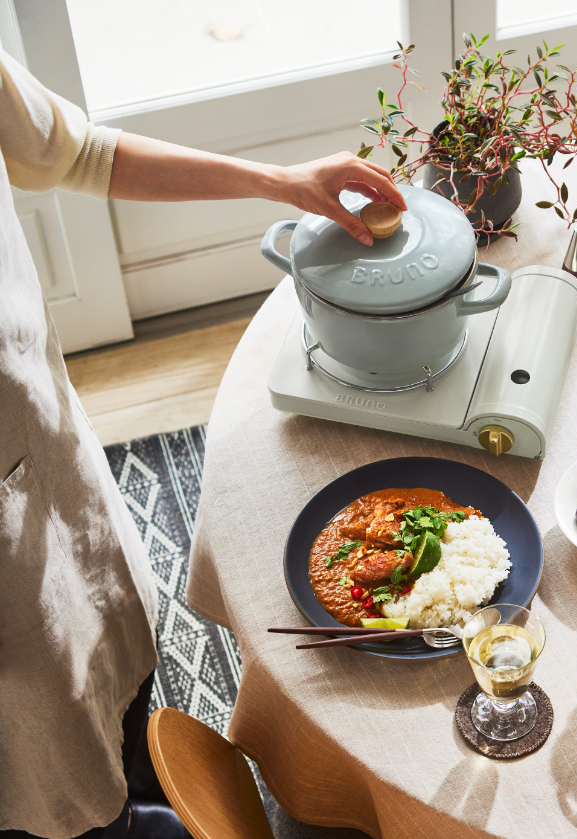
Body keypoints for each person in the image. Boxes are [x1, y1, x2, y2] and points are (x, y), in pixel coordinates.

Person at [0, 48, 404, 839]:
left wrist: (283, 182)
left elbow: (78, 151)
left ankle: (151, 789)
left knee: (118, 683)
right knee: (45, 777)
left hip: (48, 456)